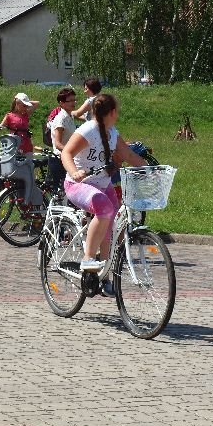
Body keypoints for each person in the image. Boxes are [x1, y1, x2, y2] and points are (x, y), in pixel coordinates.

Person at [61, 94, 146, 296]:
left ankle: (104, 276)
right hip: (78, 185)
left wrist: (151, 169)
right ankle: (88, 259)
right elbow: (66, 153)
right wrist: (74, 172)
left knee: (112, 221)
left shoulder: (112, 133)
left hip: (102, 184)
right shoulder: (88, 130)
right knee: (105, 208)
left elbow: (128, 155)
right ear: (113, 112)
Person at [47, 87, 76, 189]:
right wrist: (72, 152)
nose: (73, 102)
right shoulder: (61, 119)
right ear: (61, 103)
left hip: (67, 158)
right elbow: (58, 144)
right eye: (70, 100)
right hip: (60, 160)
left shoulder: (69, 116)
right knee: (61, 192)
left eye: (74, 100)